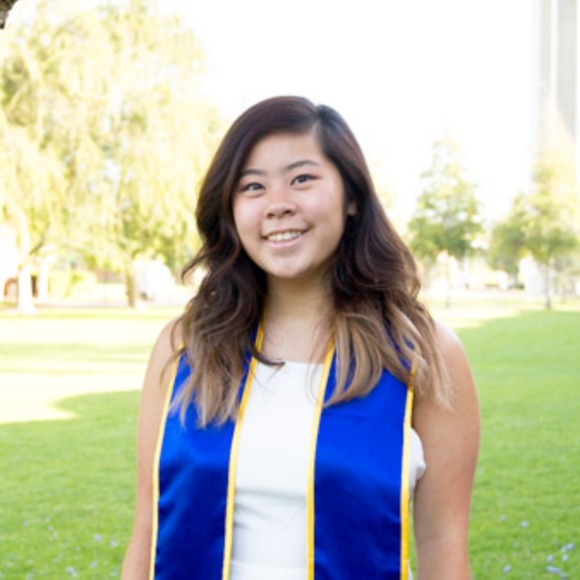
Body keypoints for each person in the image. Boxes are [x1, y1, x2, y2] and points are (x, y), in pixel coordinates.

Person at [122, 96, 480, 580]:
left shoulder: (421, 354)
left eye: (302, 179)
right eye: (253, 186)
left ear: (352, 196)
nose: (278, 205)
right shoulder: (187, 346)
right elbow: (148, 531)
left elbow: (444, 546)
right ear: (230, 209)